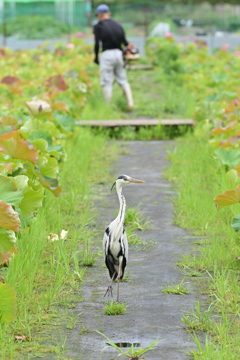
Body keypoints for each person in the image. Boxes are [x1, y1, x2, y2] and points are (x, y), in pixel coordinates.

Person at [93, 4, 134, 109]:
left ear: (99, 15)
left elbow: (97, 44)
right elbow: (125, 42)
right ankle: (130, 103)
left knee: (107, 80)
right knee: (122, 79)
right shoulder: (117, 24)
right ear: (109, 14)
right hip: (119, 54)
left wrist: (96, 57)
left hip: (107, 54)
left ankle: (107, 106)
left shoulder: (98, 26)